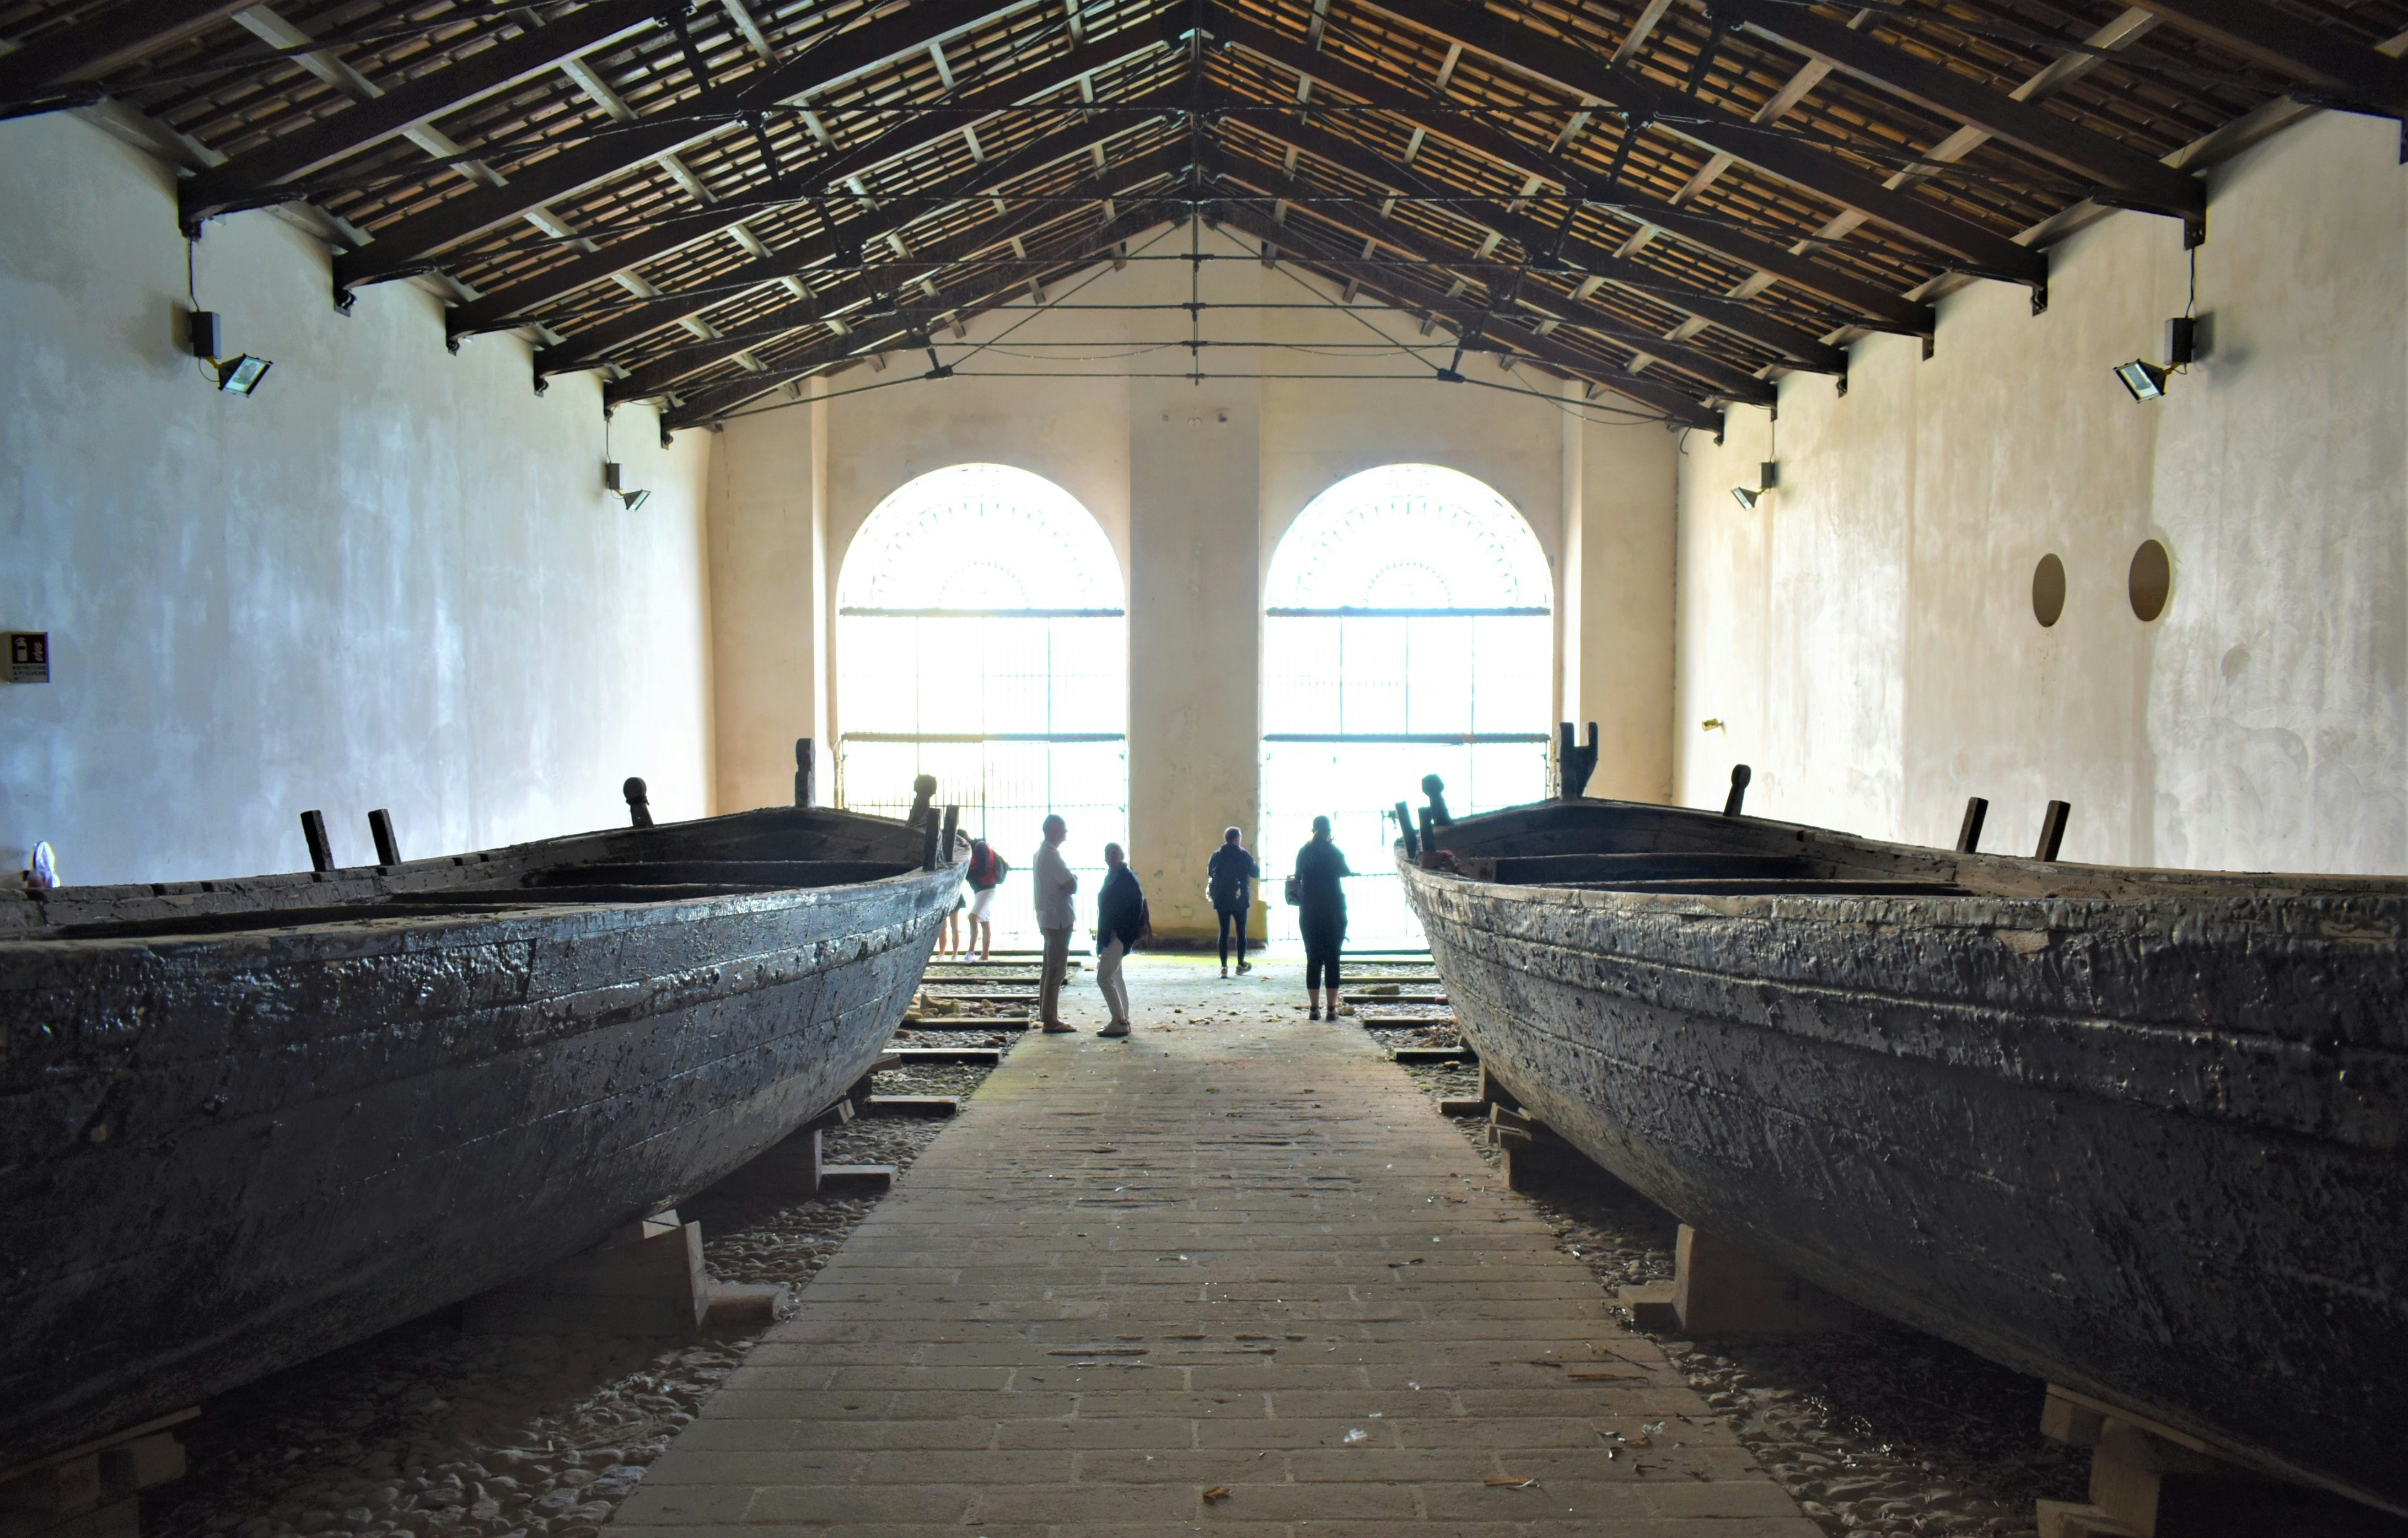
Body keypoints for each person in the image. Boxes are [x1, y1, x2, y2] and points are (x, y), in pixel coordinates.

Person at [1293, 815, 1352, 1020]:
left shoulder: (1304, 851)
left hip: (1310, 911)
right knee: (1333, 958)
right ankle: (1331, 1009)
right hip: (1334, 911)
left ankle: (1313, 1008)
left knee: (1314, 959)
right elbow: (1346, 871)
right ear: (1329, 832)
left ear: (1313, 830)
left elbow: (1297, 876)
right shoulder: (1333, 851)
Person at [1093, 842, 1148, 1037]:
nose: (1111, 856)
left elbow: (1136, 907)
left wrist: (1122, 931)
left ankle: (1119, 1020)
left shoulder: (1125, 878)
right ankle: (1123, 1017)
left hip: (1117, 935)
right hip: (1115, 934)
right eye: (1108, 852)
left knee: (1104, 978)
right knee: (1116, 977)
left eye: (1115, 852)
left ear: (1122, 855)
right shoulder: (1114, 877)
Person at [1032, 815, 1078, 1032]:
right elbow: (1072, 885)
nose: (1066, 833)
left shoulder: (1041, 854)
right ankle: (1051, 1019)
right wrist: (1074, 880)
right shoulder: (1052, 856)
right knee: (1057, 970)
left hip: (1047, 917)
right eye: (1063, 829)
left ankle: (1046, 1013)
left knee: (1048, 968)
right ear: (1053, 831)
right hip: (1059, 919)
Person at [1206, 826, 1259, 977]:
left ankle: (1223, 967)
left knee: (1224, 932)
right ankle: (1241, 964)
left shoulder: (1217, 855)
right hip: (1240, 898)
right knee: (1241, 932)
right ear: (1237, 839)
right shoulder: (1243, 855)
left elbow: (1210, 872)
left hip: (1222, 898)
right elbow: (1256, 873)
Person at [964, 837, 1007, 961]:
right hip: (983, 890)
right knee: (985, 923)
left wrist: (966, 874)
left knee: (973, 918)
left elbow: (982, 869)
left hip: (986, 890)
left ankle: (971, 953)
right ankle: (985, 955)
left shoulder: (980, 847)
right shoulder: (980, 847)